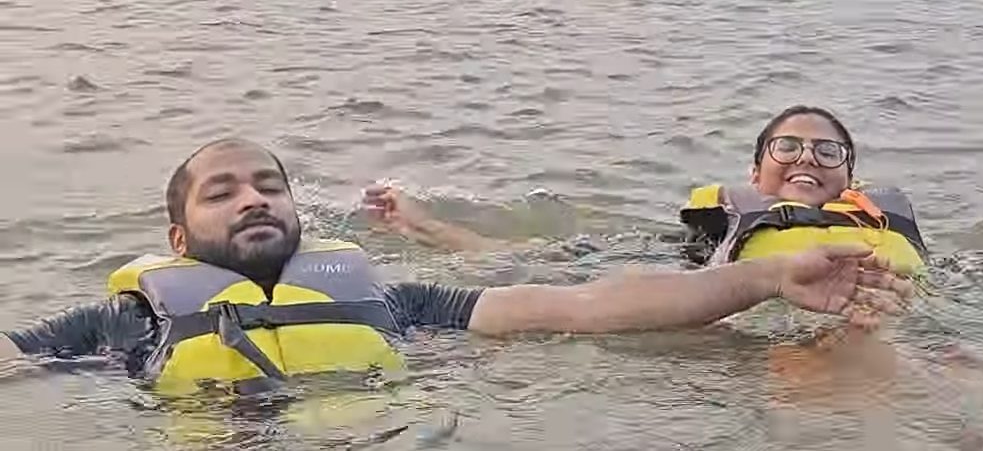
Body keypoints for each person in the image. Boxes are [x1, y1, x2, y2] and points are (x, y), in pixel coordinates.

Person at [0, 138, 912, 395]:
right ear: (176, 240)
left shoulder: (395, 301)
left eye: (269, 184)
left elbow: (583, 307)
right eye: (221, 191)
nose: (253, 199)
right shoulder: (127, 324)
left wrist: (759, 279)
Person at [366, 106, 928, 275]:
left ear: (850, 180)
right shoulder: (708, 238)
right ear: (756, 174)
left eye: (827, 152)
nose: (807, 157)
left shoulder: (884, 231)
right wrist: (431, 227)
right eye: (787, 148)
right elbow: (550, 267)